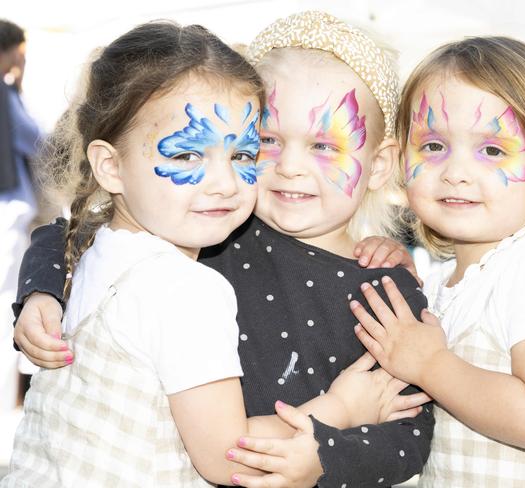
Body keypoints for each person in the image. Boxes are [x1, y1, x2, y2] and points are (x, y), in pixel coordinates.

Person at [11, 12, 433, 488]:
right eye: (267, 142)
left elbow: (411, 435)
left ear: (378, 165)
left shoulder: (385, 290)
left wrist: (323, 456)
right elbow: (70, 234)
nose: (291, 167)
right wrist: (42, 294)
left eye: (322, 145)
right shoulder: (210, 234)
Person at [350, 37, 525, 486]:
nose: (456, 171)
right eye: (432, 146)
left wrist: (430, 365)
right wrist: (405, 286)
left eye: (491, 150)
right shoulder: (448, 275)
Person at [0, 19, 41, 414]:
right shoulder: (4, 92)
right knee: (3, 306)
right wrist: (18, 83)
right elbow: (36, 140)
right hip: (6, 213)